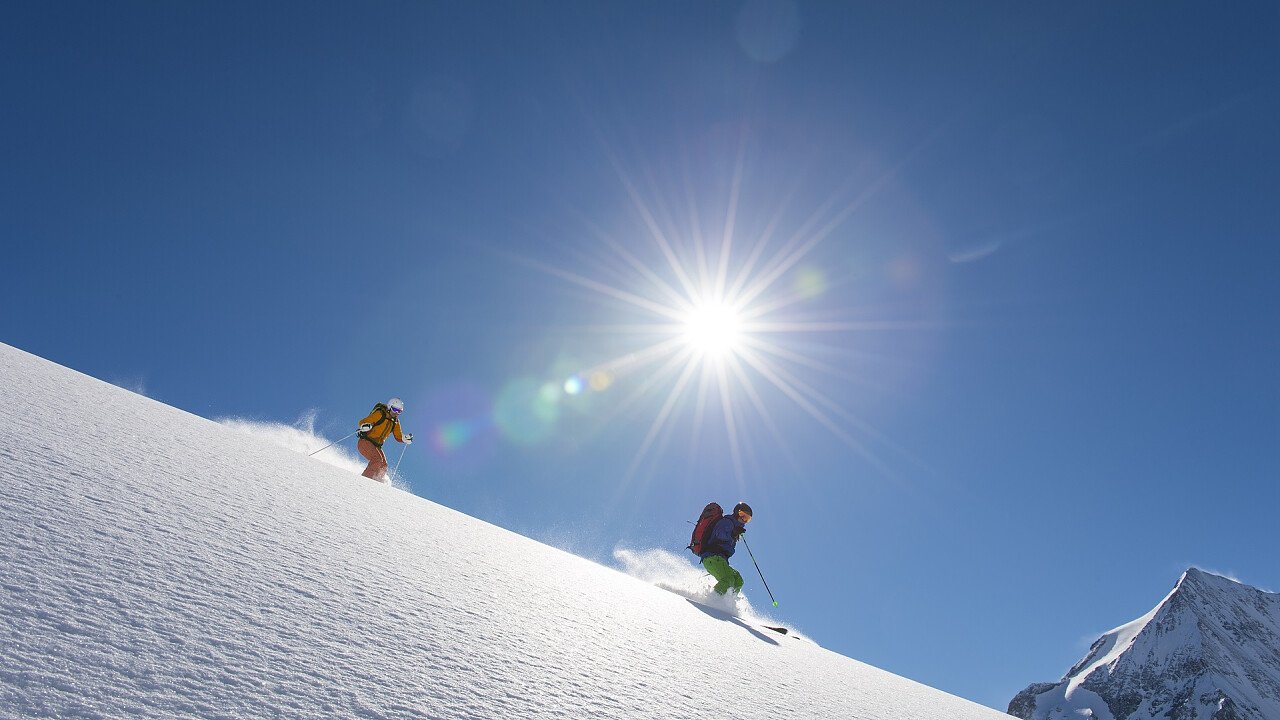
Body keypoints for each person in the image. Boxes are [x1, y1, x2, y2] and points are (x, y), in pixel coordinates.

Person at [699, 502, 752, 595]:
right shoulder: (727, 521)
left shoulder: (735, 528)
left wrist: (735, 533)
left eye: (747, 518)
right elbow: (719, 533)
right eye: (742, 515)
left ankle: (728, 601)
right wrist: (733, 533)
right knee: (728, 579)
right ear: (736, 512)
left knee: (738, 580)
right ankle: (713, 600)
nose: (743, 520)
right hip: (712, 557)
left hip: (720, 560)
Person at [356, 397, 412, 481]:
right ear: (389, 407)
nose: (396, 413)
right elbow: (362, 421)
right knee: (377, 460)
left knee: (384, 465)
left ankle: (377, 482)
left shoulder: (395, 422)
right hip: (365, 441)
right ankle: (365, 481)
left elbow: (398, 436)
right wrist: (365, 425)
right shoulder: (380, 414)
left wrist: (405, 438)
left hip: (376, 446)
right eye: (394, 409)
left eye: (399, 411)